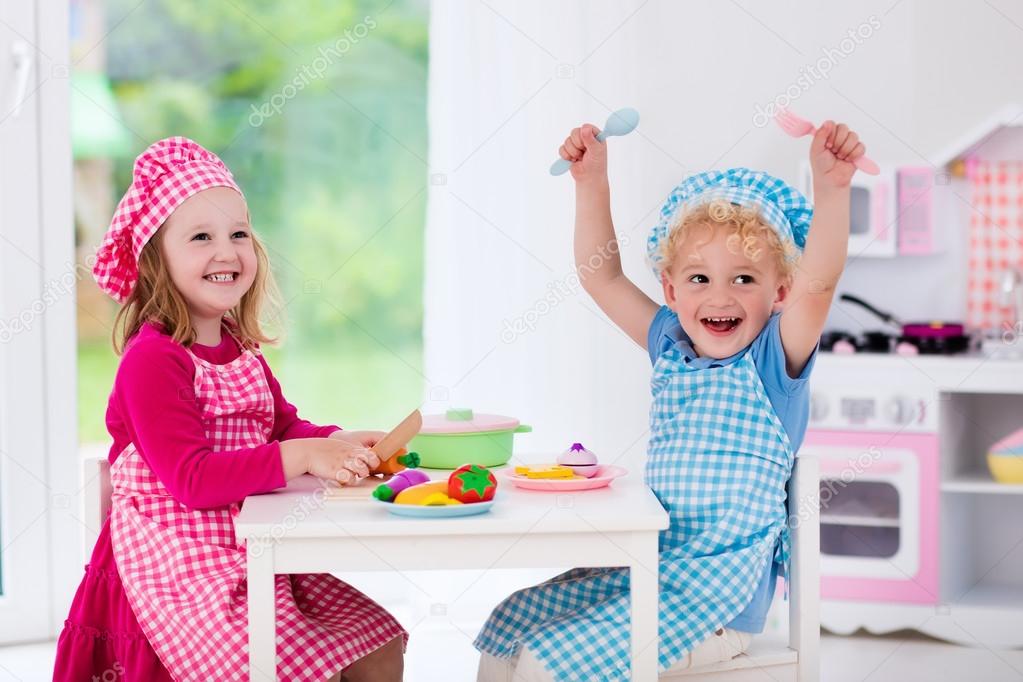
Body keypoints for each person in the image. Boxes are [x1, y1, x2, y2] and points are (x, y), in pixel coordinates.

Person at [475, 119, 866, 680]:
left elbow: (820, 282)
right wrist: (592, 184)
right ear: (671, 290)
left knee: (546, 661)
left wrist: (831, 191)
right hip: (649, 570)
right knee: (511, 627)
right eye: (700, 278)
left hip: (716, 603)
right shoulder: (670, 345)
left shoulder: (773, 361)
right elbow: (602, 278)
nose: (720, 296)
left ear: (780, 293)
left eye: (745, 280)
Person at [54, 137, 406, 682]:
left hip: (248, 549)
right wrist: (301, 454)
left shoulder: (239, 347)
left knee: (375, 648)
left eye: (238, 233)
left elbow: (283, 427)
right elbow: (192, 480)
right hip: (176, 571)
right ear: (154, 260)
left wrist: (340, 440)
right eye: (201, 237)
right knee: (299, 668)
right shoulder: (153, 360)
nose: (226, 251)